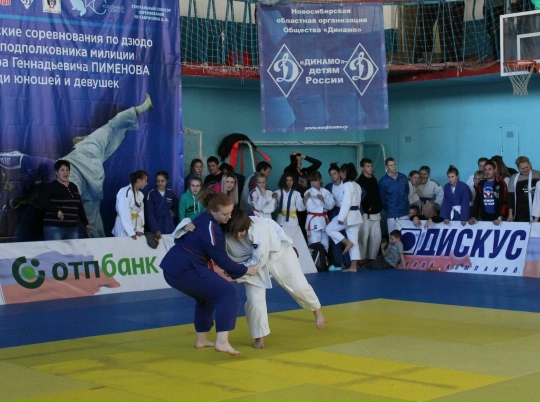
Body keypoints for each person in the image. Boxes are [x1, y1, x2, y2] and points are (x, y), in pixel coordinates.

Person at [0, 94, 153, 241]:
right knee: (90, 220)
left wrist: (25, 198)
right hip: (85, 174)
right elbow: (114, 125)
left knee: (84, 215)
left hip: (77, 176)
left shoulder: (90, 144)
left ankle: (97, 245)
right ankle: (99, 246)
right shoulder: (91, 144)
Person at [160, 191, 259, 355]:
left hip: (173, 266)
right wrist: (246, 270)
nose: (228, 217)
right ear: (213, 211)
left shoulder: (205, 216)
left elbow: (232, 215)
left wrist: (249, 213)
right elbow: (223, 262)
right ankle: (222, 342)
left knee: (206, 298)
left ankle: (202, 339)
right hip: (185, 269)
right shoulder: (212, 231)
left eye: (230, 212)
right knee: (228, 292)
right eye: (225, 214)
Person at [224, 208, 325, 349]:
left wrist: (239, 270)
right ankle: (259, 337)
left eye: (240, 232)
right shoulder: (226, 232)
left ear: (246, 226)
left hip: (278, 253)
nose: (237, 235)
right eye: (234, 232)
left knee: (299, 286)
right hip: (248, 261)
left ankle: (317, 311)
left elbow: (260, 258)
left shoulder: (259, 228)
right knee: (254, 300)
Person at [38, 159, 95, 240]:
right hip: (54, 227)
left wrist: (86, 223)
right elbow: (42, 202)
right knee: (55, 248)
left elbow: (79, 206)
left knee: (74, 248)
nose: (65, 172)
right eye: (62, 170)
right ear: (56, 172)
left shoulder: (73, 186)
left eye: (67, 170)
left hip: (72, 228)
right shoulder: (51, 186)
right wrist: (56, 210)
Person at [326, 163, 363, 273]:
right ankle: (353, 266)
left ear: (345, 173)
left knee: (329, 229)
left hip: (348, 215)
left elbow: (346, 203)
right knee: (354, 241)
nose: (340, 174)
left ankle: (346, 243)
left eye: (341, 172)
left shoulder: (346, 185)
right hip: (356, 215)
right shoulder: (357, 185)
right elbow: (358, 202)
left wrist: (341, 218)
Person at [325, 163, 351, 270]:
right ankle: (338, 262)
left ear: (339, 173)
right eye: (331, 174)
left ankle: (348, 262)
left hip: (347, 212)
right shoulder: (328, 187)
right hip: (334, 212)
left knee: (346, 236)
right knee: (335, 237)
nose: (333, 176)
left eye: (335, 173)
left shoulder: (347, 185)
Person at [356, 158, 383, 263]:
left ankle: (372, 258)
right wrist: (367, 207)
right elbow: (360, 198)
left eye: (371, 166)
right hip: (365, 214)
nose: (370, 168)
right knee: (364, 236)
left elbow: (377, 196)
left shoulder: (373, 180)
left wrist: (378, 208)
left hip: (376, 212)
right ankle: (362, 258)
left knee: (376, 237)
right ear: (362, 168)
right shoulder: (359, 182)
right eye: (367, 166)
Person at [469, 160, 508, 225]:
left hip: (497, 217)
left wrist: (500, 217)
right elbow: (477, 200)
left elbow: (503, 201)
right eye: (485, 170)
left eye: (490, 169)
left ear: (495, 170)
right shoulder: (481, 183)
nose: (487, 172)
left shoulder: (501, 183)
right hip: (484, 216)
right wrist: (474, 216)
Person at [303, 171, 335, 250]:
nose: (313, 183)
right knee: (314, 244)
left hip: (324, 221)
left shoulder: (326, 192)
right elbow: (309, 207)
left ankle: (324, 257)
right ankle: (314, 258)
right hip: (313, 220)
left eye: (315, 180)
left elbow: (331, 205)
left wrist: (323, 200)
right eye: (311, 181)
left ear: (320, 180)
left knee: (325, 245)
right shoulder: (308, 193)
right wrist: (306, 199)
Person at [112, 170, 148, 239]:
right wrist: (130, 231)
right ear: (138, 180)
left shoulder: (140, 195)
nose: (146, 183)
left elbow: (140, 213)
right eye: (145, 181)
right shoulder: (125, 192)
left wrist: (139, 229)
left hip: (134, 227)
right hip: (123, 228)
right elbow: (124, 212)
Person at [379, 157, 410, 233]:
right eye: (391, 165)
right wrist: (389, 209)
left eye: (394, 164)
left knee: (405, 235)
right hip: (392, 213)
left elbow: (407, 191)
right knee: (393, 235)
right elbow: (382, 198)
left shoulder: (403, 177)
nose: (394, 167)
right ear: (387, 167)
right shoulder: (383, 181)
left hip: (404, 212)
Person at [145, 171, 179, 240]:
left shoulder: (171, 193)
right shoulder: (151, 193)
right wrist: (155, 229)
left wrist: (174, 213)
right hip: (157, 223)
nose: (160, 183)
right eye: (158, 181)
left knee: (171, 243)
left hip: (169, 224)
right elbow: (149, 213)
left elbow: (176, 206)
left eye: (162, 181)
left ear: (167, 181)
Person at [507, 156, 540, 222]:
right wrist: (510, 214)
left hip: (536, 211)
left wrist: (536, 192)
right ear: (518, 168)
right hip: (520, 211)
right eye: (522, 168)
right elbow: (510, 197)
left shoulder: (538, 175)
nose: (525, 170)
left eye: (527, 167)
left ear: (530, 165)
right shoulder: (514, 178)